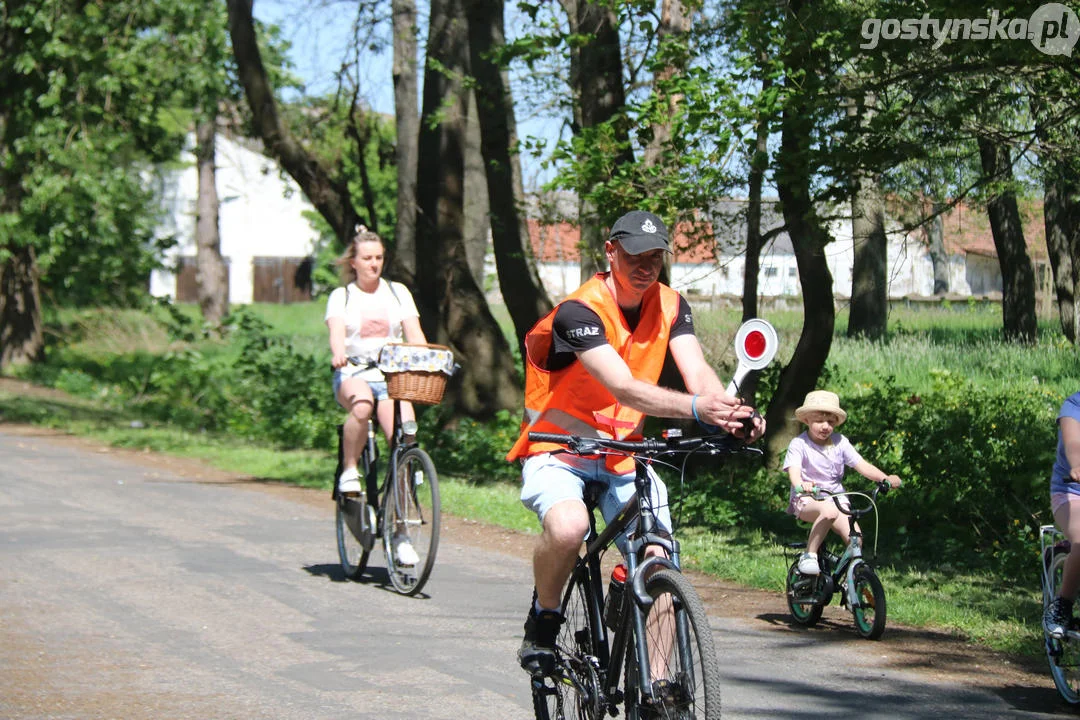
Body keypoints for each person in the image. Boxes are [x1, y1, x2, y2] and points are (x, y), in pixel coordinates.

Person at [505, 209, 765, 678]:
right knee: (569, 528)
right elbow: (622, 386)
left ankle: (660, 687)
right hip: (562, 448)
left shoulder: (671, 303)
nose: (646, 266)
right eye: (634, 256)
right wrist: (695, 409)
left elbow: (697, 372)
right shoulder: (578, 311)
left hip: (625, 453)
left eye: (655, 257)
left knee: (657, 555)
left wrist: (729, 411)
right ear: (610, 252)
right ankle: (544, 621)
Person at [325, 225, 426, 566]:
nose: (374, 264)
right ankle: (350, 469)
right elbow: (337, 334)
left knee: (404, 441)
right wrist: (339, 353)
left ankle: (400, 534)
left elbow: (415, 334)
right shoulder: (343, 296)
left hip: (392, 376)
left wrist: (426, 355)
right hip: (353, 373)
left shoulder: (397, 293)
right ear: (353, 262)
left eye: (379, 258)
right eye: (367, 258)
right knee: (362, 403)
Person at [783, 390, 901, 576]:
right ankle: (810, 555)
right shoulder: (799, 444)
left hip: (837, 498)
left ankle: (852, 581)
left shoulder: (840, 442)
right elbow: (794, 472)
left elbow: (861, 465)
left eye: (830, 422)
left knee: (855, 538)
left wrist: (884, 478)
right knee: (828, 512)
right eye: (819, 421)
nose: (825, 426)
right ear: (806, 420)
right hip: (808, 498)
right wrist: (801, 484)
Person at [1043, 391, 1080, 638]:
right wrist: (1077, 465)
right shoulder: (1074, 405)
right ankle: (1062, 607)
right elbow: (1073, 444)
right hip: (1072, 492)